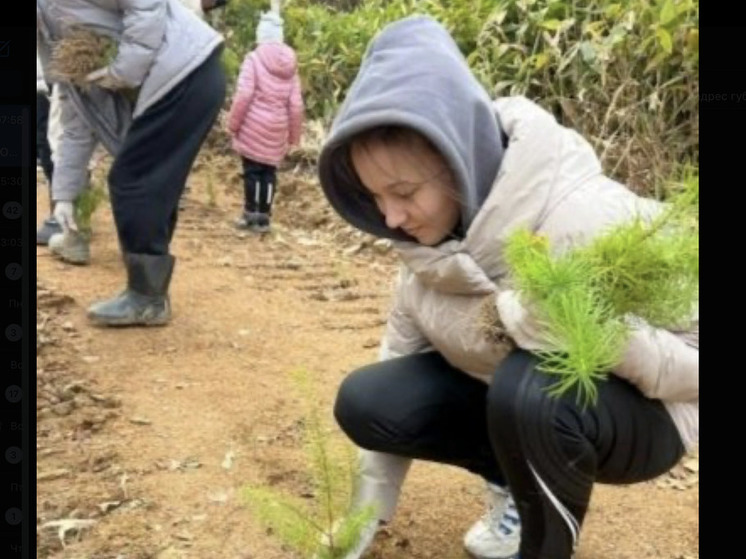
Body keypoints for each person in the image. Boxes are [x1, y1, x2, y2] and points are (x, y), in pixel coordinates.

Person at [316, 15, 699, 559]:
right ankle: (515, 489)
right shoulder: (425, 251)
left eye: (403, 192)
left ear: (460, 160)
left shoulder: (589, 219)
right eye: (376, 198)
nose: (392, 217)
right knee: (369, 398)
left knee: (532, 387)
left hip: (648, 418)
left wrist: (587, 330)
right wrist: (363, 517)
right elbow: (396, 356)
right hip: (516, 408)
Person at [37, 0, 227, 326]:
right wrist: (64, 197)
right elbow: (76, 123)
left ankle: (147, 298)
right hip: (182, 77)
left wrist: (123, 71)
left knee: (133, 179)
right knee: (147, 181)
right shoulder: (55, 36)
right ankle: (148, 290)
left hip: (186, 70)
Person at [226, 9, 304, 233]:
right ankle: (265, 217)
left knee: (252, 171)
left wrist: (233, 124)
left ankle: (250, 214)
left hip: (253, 124)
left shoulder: (254, 58)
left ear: (261, 34)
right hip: (277, 127)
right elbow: (296, 104)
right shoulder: (291, 65)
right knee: (269, 172)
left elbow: (244, 94)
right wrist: (294, 136)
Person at [36, 50, 61, 245]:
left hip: (55, 82)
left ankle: (63, 218)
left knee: (55, 148)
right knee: (47, 149)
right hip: (44, 85)